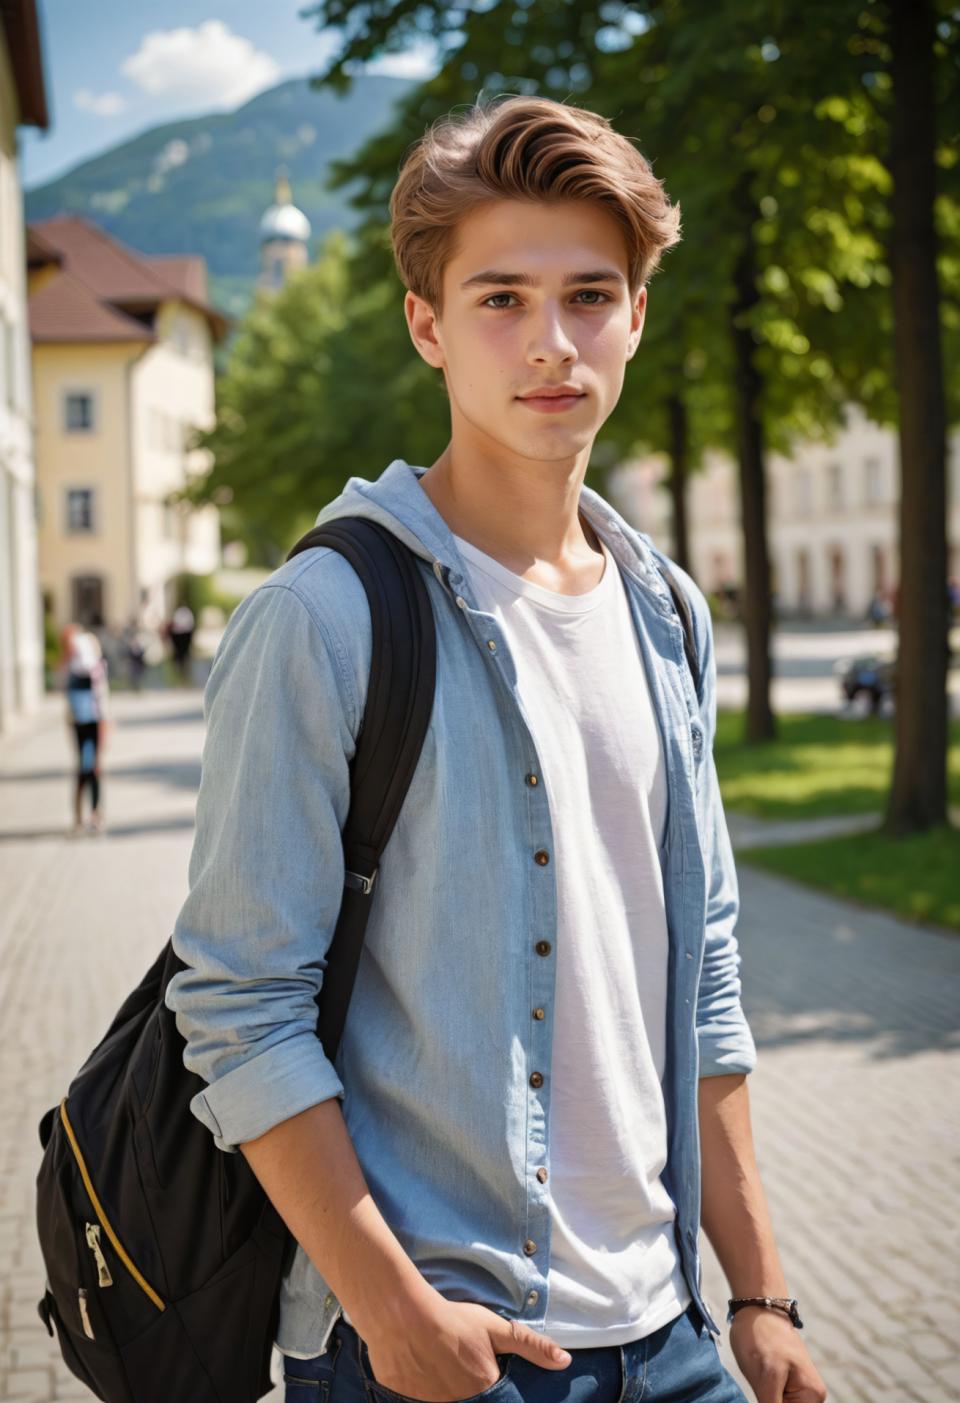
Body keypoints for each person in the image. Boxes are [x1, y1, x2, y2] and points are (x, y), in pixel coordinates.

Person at [166, 96, 827, 1403]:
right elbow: (239, 1002)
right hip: (440, 1343)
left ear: (637, 314)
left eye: (590, 295)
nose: (551, 344)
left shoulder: (665, 612)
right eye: (500, 299)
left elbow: (705, 972)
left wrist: (758, 1289)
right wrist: (389, 1309)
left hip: (674, 1333)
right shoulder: (325, 617)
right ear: (427, 325)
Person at [60, 623, 110, 836]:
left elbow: (103, 701)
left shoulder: (95, 669)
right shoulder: (72, 671)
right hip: (80, 723)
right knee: (83, 769)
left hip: (95, 721)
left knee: (94, 770)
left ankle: (96, 815)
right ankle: (79, 818)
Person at [168, 603, 195, 682]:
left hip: (182, 636)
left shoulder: (183, 613)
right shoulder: (184, 613)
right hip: (181, 637)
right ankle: (180, 672)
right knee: (181, 655)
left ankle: (183, 673)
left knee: (182, 655)